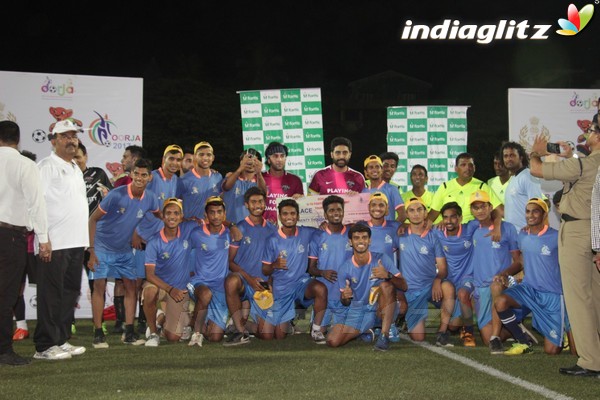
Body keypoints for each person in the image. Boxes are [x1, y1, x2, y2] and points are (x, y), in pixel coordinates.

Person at [530, 127, 600, 377]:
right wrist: (569, 157)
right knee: (595, 297)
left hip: (578, 230)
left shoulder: (587, 163)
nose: (587, 133)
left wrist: (535, 152)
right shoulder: (585, 164)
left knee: (578, 299)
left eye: (591, 130)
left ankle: (591, 360)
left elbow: (536, 170)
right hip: (593, 231)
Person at [88, 158, 161, 348]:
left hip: (124, 249)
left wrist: (139, 232)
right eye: (136, 173)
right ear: (131, 174)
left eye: (143, 175)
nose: (139, 177)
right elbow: (92, 220)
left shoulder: (151, 198)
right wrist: (92, 250)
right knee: (99, 287)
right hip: (102, 246)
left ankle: (129, 332)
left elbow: (159, 216)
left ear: (149, 178)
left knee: (131, 287)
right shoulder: (116, 195)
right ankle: (98, 333)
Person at [34, 119, 88, 360]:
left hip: (76, 242)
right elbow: (37, 204)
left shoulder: (76, 167)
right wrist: (43, 239)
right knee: (51, 294)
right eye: (65, 136)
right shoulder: (46, 167)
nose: (71, 140)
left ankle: (60, 339)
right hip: (55, 243)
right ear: (53, 141)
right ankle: (44, 346)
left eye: (74, 136)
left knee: (70, 292)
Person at [494, 198, 573, 356]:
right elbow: (522, 261)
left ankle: (563, 330)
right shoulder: (523, 235)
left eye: (535, 211)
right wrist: (505, 273)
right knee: (501, 301)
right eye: (528, 211)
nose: (530, 215)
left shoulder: (557, 237)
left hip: (552, 295)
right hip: (529, 289)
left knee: (551, 351)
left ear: (544, 214)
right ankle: (523, 340)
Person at [0, 121, 49, 366]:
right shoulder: (25, 164)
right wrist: (44, 238)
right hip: (10, 236)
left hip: (11, 234)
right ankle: (3, 350)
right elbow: (36, 204)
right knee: (6, 294)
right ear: (17, 140)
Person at [326, 224, 406, 351]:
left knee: (386, 286)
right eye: (356, 238)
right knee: (332, 340)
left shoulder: (381, 259)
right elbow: (345, 302)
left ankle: (384, 335)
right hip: (359, 310)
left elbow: (404, 286)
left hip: (380, 307)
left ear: (370, 240)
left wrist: (388, 275)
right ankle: (368, 329)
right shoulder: (344, 268)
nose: (361, 241)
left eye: (364, 237)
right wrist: (345, 297)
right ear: (350, 242)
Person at [260, 199, 328, 343]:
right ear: (279, 216)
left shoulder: (307, 232)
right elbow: (265, 270)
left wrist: (324, 225)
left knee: (320, 289)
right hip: (282, 288)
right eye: (285, 214)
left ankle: (316, 329)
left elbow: (327, 231)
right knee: (273, 335)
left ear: (297, 216)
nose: (289, 216)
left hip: (301, 284)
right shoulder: (272, 239)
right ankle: (289, 321)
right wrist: (274, 264)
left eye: (292, 213)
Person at [133, 144, 184, 335]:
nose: (175, 163)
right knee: (140, 282)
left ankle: (155, 318)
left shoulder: (176, 180)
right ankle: (141, 321)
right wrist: (134, 231)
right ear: (163, 160)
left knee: (158, 280)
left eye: (178, 159)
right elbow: (138, 201)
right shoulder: (153, 177)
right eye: (171, 158)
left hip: (160, 239)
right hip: (143, 237)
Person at [467, 190, 522, 354]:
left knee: (496, 284)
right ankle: (515, 330)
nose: (480, 210)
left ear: (490, 206)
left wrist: (507, 275)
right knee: (485, 338)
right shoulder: (471, 227)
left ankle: (496, 338)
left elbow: (518, 260)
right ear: (471, 210)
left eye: (483, 206)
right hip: (480, 286)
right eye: (475, 207)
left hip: (504, 283)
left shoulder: (508, 228)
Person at [397, 197, 454, 346]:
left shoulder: (433, 236)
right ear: (407, 214)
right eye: (411, 210)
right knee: (419, 337)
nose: (416, 214)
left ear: (425, 213)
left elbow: (443, 269)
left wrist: (437, 280)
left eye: (419, 210)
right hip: (410, 290)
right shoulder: (400, 234)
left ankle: (442, 332)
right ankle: (404, 319)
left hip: (430, 287)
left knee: (447, 287)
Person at [224, 187, 277, 346]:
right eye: (253, 202)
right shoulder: (239, 228)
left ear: (265, 204)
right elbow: (230, 262)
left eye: (260, 201)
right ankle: (240, 332)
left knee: (267, 334)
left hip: (262, 286)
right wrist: (249, 279)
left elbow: (274, 262)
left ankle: (242, 323)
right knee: (231, 281)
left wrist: (271, 283)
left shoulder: (273, 230)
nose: (257, 205)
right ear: (246, 205)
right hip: (244, 280)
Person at [142, 198, 196, 347]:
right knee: (149, 292)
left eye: (176, 213)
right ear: (163, 216)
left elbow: (210, 224)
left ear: (181, 216)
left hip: (179, 289)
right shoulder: (154, 241)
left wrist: (232, 226)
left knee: (173, 337)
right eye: (169, 213)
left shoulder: (189, 229)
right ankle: (153, 334)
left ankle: (161, 319)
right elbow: (149, 275)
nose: (172, 217)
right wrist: (169, 289)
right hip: (161, 286)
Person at [73, 141, 113, 334]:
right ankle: (68, 321)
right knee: (70, 282)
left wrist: (108, 195)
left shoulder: (97, 174)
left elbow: (112, 198)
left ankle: (100, 321)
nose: (75, 161)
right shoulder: (66, 175)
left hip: (94, 240)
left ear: (86, 157)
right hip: (70, 237)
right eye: (72, 158)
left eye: (78, 157)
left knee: (96, 282)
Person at [187, 197, 232, 346]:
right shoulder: (196, 233)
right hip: (199, 282)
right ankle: (196, 334)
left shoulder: (230, 234)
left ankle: (192, 320)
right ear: (206, 215)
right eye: (212, 212)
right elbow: (185, 254)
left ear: (224, 214)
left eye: (219, 212)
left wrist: (233, 226)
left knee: (215, 336)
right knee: (205, 294)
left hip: (220, 287)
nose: (216, 216)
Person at [429, 153, 503, 241]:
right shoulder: (445, 187)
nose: (467, 168)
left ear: (474, 168)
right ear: (456, 168)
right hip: (450, 232)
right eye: (463, 165)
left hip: (473, 233)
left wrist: (497, 225)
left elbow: (499, 211)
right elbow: (433, 214)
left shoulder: (481, 186)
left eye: (470, 165)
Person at [308, 195, 353, 333]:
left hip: (344, 295)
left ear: (343, 212)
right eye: (332, 210)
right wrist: (322, 272)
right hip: (325, 295)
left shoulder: (352, 233)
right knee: (318, 332)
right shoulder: (317, 236)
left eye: (339, 210)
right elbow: (311, 269)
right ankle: (316, 321)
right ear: (325, 214)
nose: (336, 213)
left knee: (340, 334)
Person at [434, 202, 476, 347]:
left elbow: (489, 216)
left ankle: (468, 332)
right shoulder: (438, 232)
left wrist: (496, 223)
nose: (448, 221)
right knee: (452, 326)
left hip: (468, 277)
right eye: (445, 217)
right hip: (449, 278)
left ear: (460, 217)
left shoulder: (469, 228)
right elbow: (420, 227)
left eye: (452, 217)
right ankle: (442, 333)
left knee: (464, 293)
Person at [12, 150, 39, 342]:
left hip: (39, 249)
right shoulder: (11, 189)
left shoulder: (39, 188)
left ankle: (47, 326)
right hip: (18, 248)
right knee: (16, 289)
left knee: (46, 288)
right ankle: (21, 326)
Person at [501, 142, 544, 232]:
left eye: (512, 155)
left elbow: (537, 204)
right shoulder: (513, 178)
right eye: (505, 156)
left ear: (521, 157)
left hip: (525, 233)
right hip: (513, 235)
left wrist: (532, 228)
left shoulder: (528, 175)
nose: (508, 159)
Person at [176, 141, 223, 220]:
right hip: (191, 229)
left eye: (208, 155)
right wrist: (184, 220)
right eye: (201, 154)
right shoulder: (184, 180)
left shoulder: (218, 177)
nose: (205, 158)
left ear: (213, 158)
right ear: (194, 157)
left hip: (212, 229)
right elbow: (172, 205)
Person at [262, 142, 304, 225]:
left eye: (282, 156)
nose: (279, 159)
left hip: (286, 228)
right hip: (263, 229)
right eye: (275, 156)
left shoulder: (295, 180)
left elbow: (300, 208)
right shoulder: (260, 178)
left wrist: (301, 199)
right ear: (269, 160)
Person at [221, 148, 267, 224]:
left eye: (255, 160)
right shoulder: (232, 178)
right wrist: (240, 169)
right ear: (241, 162)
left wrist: (259, 173)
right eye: (247, 159)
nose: (251, 162)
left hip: (251, 230)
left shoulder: (260, 182)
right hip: (231, 229)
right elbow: (226, 186)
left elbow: (263, 193)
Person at [362, 155, 406, 222]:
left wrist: (392, 228)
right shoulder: (363, 191)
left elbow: (402, 214)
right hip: (368, 231)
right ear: (366, 171)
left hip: (387, 232)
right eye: (371, 167)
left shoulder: (392, 189)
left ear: (382, 170)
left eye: (377, 167)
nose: (374, 170)